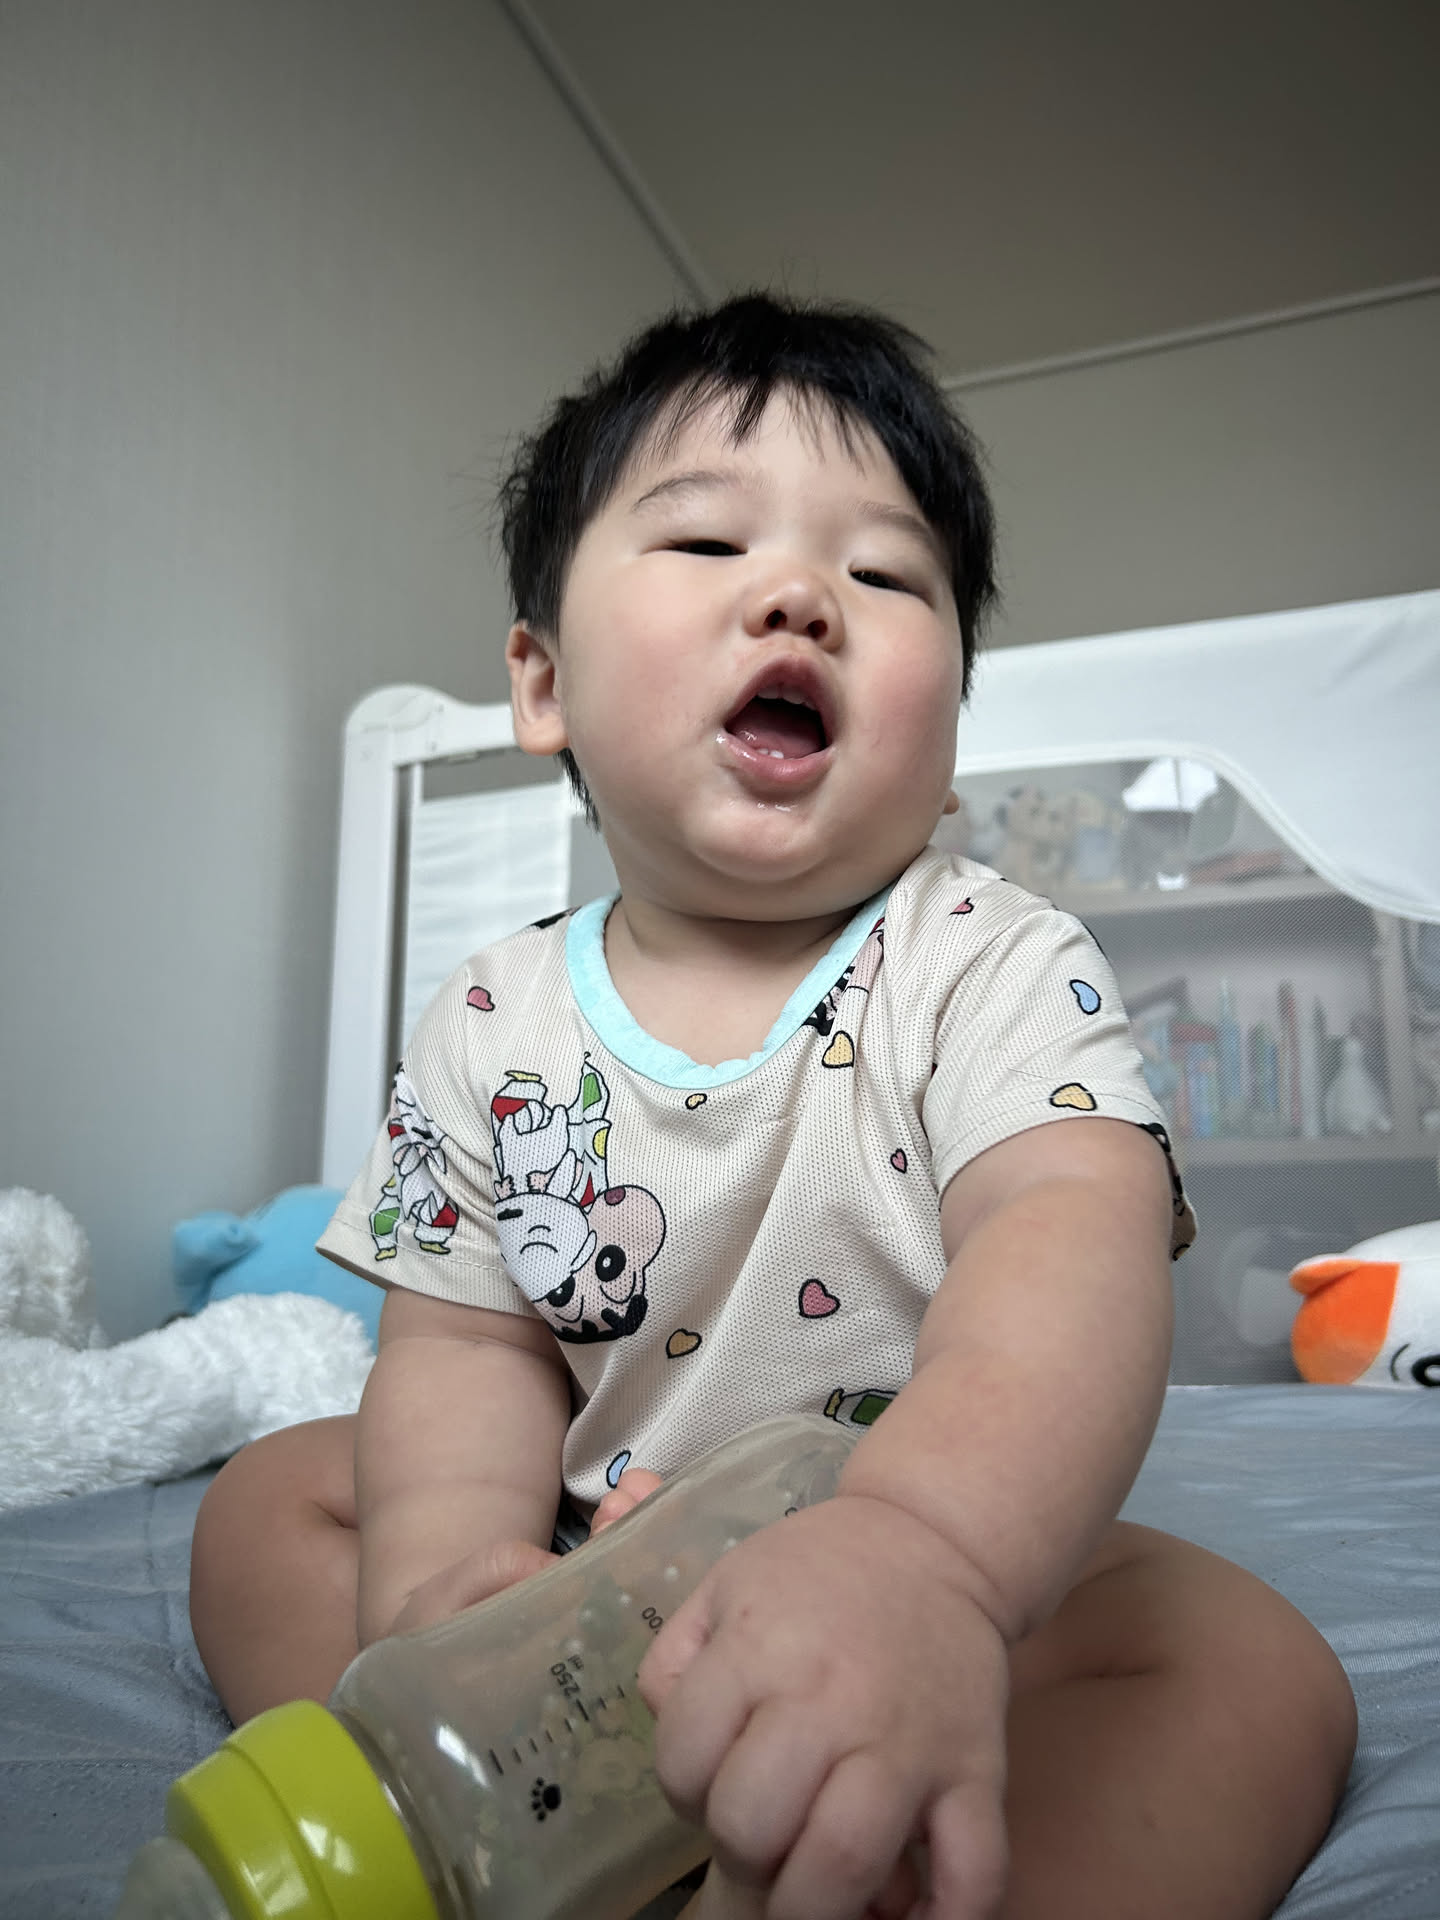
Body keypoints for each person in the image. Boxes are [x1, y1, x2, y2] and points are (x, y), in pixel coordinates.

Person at [190, 295, 1356, 1919]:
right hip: (590, 1563)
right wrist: (453, 1593)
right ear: (545, 683)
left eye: (885, 577)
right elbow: (464, 1351)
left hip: (909, 1569)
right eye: (705, 543)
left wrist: (930, 1555)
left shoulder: (992, 960)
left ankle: (843, 1848)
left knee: (1250, 1668)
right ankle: (482, 1813)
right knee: (268, 1504)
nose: (802, 594)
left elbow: (1066, 1234)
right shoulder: (485, 1019)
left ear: (949, 729)